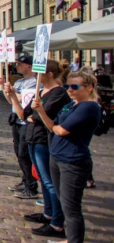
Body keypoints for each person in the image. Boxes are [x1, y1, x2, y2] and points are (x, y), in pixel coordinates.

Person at [31, 71, 101, 243]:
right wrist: (40, 111)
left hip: (73, 161)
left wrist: (57, 128)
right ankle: (70, 238)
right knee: (63, 202)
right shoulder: (71, 105)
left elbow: (61, 130)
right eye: (67, 86)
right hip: (57, 156)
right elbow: (52, 126)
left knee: (71, 208)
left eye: (74, 86)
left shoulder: (89, 107)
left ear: (89, 87)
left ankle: (74, 240)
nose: (70, 90)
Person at [17, 59, 71, 239]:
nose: (35, 75)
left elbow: (42, 117)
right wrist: (10, 96)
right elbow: (25, 113)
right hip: (32, 138)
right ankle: (48, 213)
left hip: (44, 140)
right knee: (42, 179)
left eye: (39, 72)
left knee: (50, 182)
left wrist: (37, 113)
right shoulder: (41, 90)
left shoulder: (59, 93)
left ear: (49, 74)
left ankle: (57, 223)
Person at [0, 54, 39, 199]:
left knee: (24, 153)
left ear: (29, 66)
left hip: (26, 121)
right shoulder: (19, 82)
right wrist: (4, 88)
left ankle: (31, 186)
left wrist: (13, 94)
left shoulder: (36, 82)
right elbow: (10, 101)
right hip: (16, 119)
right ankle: (25, 180)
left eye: (20, 64)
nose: (17, 66)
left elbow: (23, 99)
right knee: (18, 152)